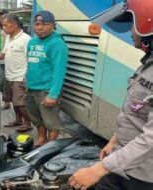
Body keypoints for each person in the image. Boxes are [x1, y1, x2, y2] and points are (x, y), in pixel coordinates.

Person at [68, 0, 153, 189]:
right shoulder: (146, 66)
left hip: (142, 176)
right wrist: (114, 140)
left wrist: (98, 170)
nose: (130, 32)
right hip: (121, 161)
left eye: (133, 25)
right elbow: (134, 114)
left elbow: (150, 140)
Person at [24, 10, 68, 146]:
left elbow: (59, 71)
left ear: (53, 25)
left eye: (44, 24)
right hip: (31, 88)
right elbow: (31, 63)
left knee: (51, 122)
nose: (39, 27)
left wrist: (53, 94)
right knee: (37, 119)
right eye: (37, 24)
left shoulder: (57, 43)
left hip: (46, 90)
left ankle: (50, 146)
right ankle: (41, 138)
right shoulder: (32, 42)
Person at [0, 14, 32, 132]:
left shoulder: (26, 39)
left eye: (5, 25)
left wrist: (26, 76)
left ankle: (27, 123)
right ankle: (18, 120)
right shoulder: (8, 38)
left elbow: (30, 59)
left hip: (20, 76)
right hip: (9, 75)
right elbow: (4, 54)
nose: (3, 28)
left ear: (15, 25)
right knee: (12, 101)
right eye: (3, 26)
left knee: (20, 102)